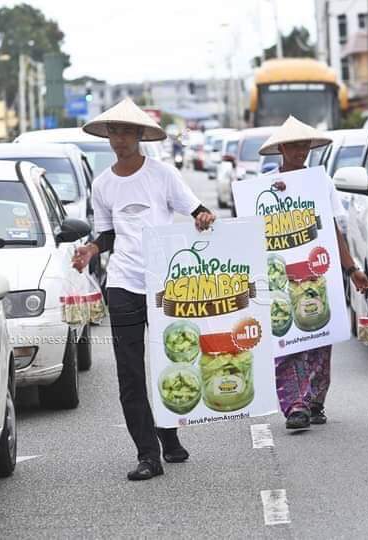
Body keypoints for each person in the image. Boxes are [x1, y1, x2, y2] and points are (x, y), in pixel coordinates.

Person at [72, 98, 215, 480]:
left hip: (164, 285)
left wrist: (203, 216)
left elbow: (197, 209)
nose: (119, 138)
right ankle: (147, 454)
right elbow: (106, 234)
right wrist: (91, 248)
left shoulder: (162, 175)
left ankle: (168, 436)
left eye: (126, 131)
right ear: (107, 136)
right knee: (130, 373)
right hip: (123, 283)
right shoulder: (101, 184)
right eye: (113, 131)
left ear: (138, 135)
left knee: (168, 365)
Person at [258, 116, 368, 431]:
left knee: (319, 342)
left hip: (318, 274)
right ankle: (295, 406)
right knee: (286, 342)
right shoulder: (264, 187)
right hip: (281, 280)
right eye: (293, 145)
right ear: (281, 148)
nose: (299, 151)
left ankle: (315, 401)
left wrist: (352, 269)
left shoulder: (322, 184)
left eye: (304, 145)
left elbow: (334, 230)